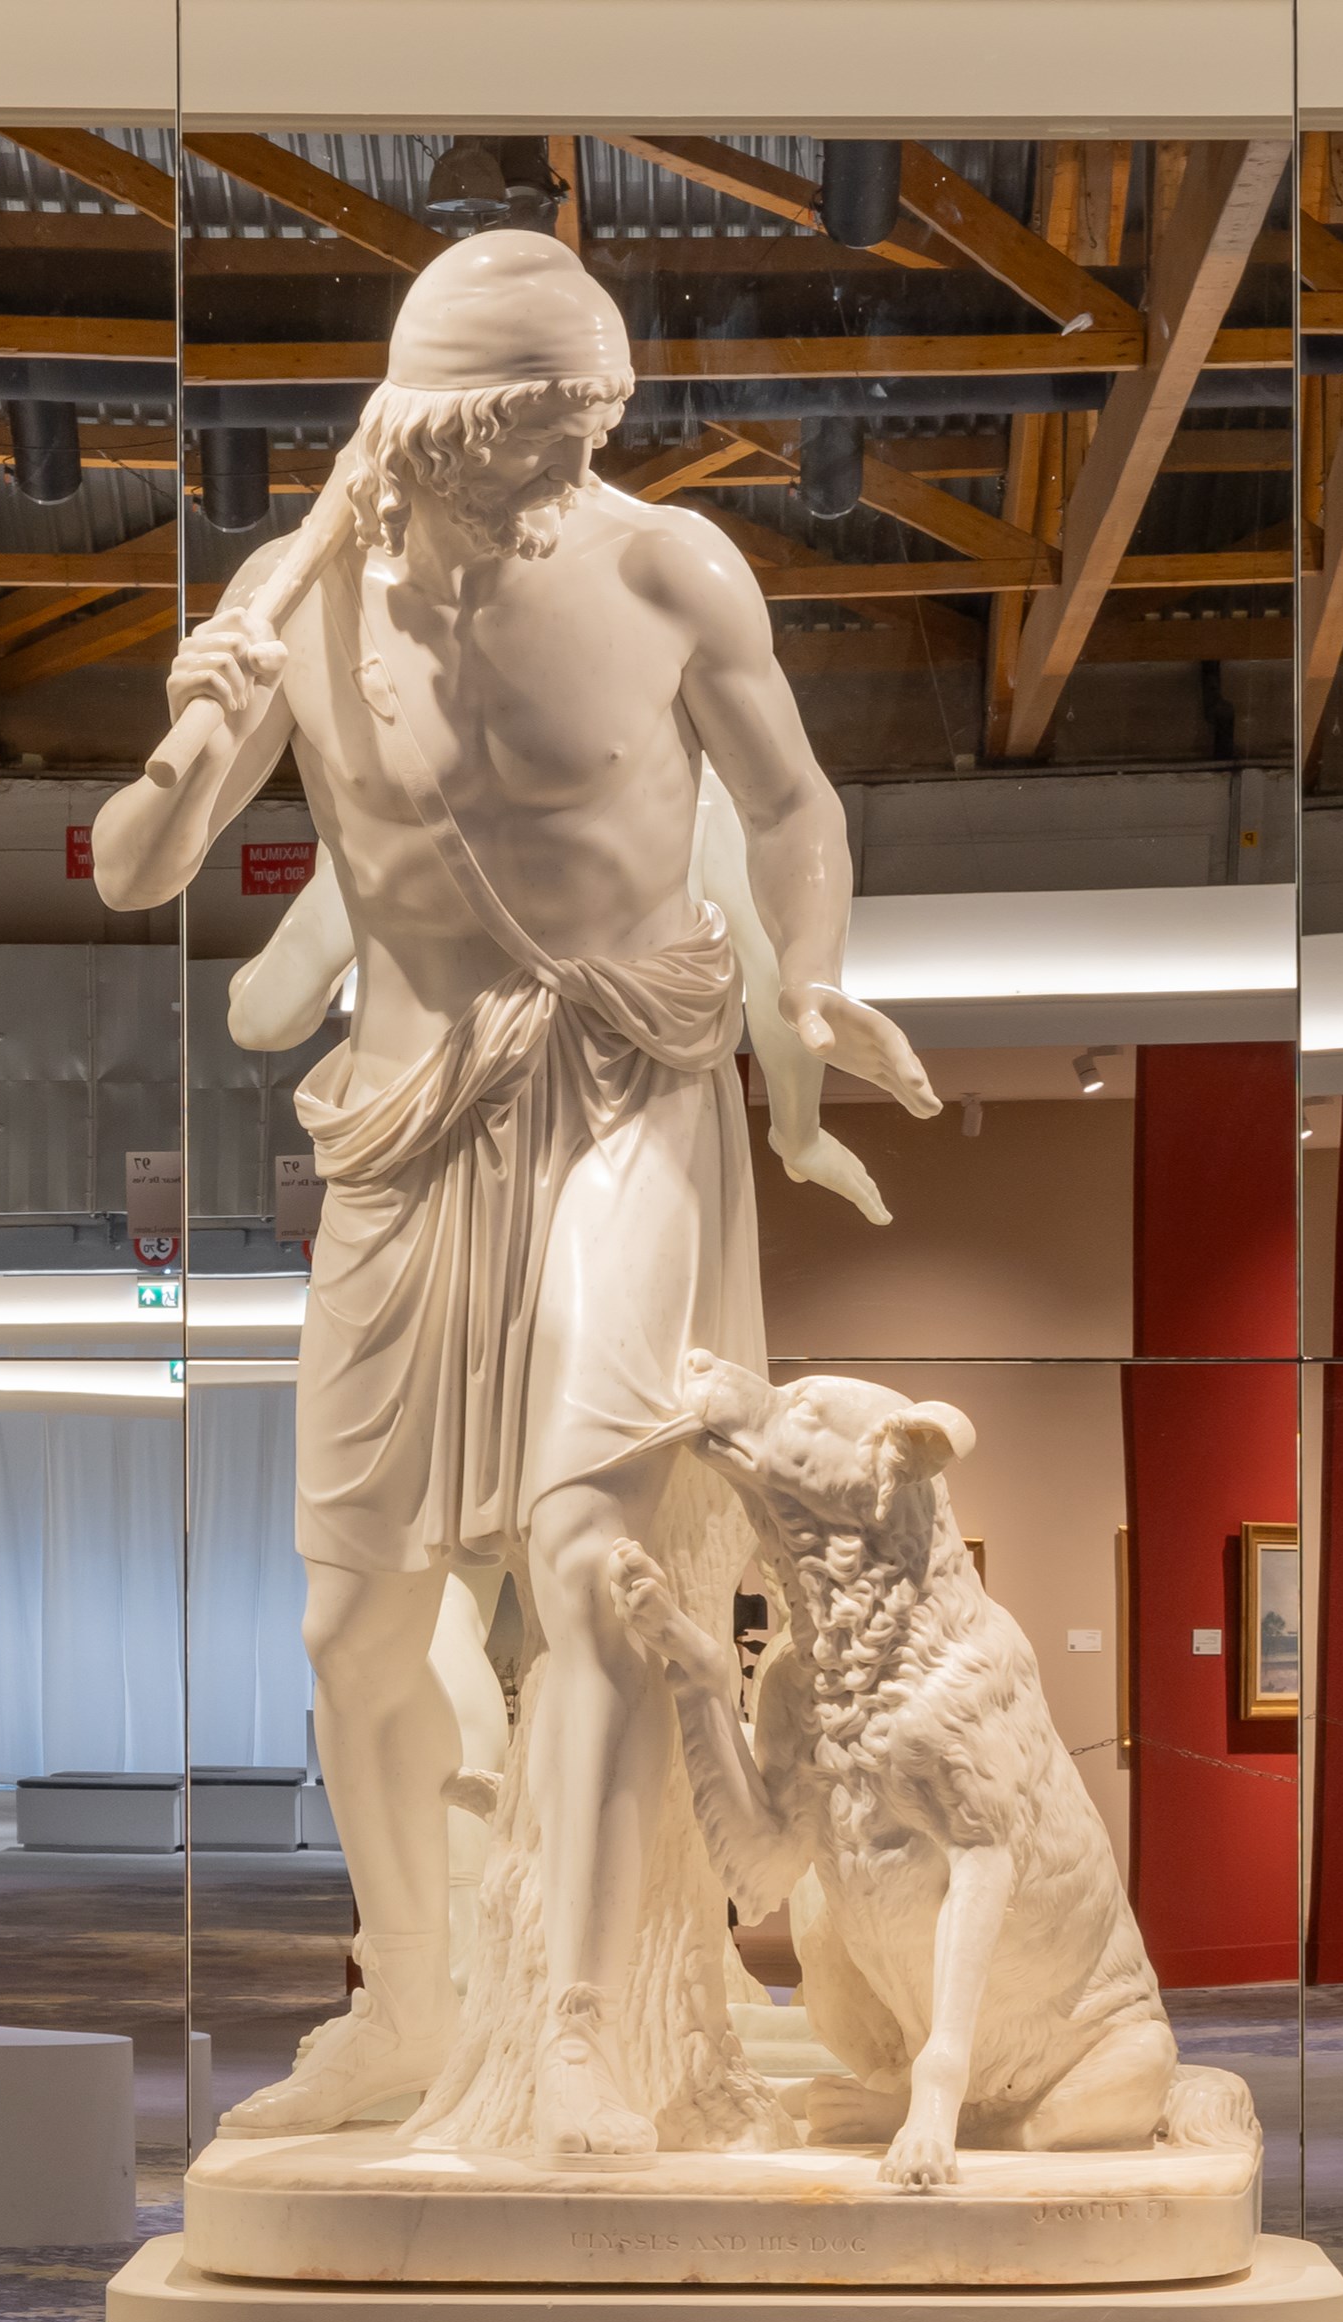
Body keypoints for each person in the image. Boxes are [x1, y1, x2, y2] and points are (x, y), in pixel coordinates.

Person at [88, 230, 934, 2156]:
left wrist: (808, 983)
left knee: (588, 1560)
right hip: (405, 1127)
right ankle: (408, 1998)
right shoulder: (298, 598)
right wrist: (193, 722)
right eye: (542, 434)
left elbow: (791, 804)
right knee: (354, 1623)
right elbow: (137, 868)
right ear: (439, 424)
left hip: (632, 1087)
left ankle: (572, 2024)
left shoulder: (665, 567)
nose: (574, 466)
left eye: (590, 427)